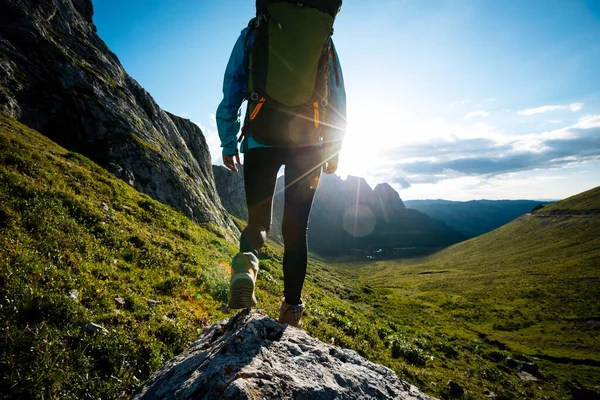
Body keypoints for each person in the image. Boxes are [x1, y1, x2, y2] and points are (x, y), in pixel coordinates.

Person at [216, 0, 346, 328]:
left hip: (262, 134)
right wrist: (333, 148)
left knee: (259, 220)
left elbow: (231, 87)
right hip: (309, 143)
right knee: (295, 229)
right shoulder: (324, 41)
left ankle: (246, 266)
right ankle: (291, 311)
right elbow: (337, 98)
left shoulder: (254, 33)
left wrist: (229, 141)